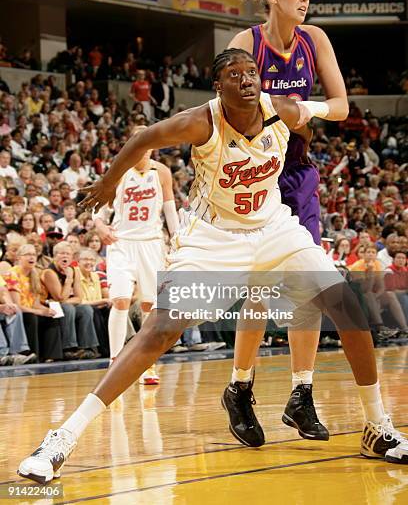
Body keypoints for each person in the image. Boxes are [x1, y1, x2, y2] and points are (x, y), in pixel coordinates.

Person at [18, 51, 407, 483]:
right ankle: (63, 437)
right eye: (233, 75)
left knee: (345, 303)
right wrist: (109, 183)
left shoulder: (285, 111)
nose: (245, 80)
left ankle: (377, 428)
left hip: (273, 227)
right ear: (218, 87)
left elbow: (326, 115)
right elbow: (143, 137)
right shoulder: (200, 122)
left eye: (251, 72)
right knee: (161, 329)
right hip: (213, 237)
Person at [227, 0, 349, 440]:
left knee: (309, 285)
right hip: (254, 175)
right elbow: (230, 111)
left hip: (296, 174)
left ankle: (302, 393)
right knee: (258, 289)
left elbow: (340, 107)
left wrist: (301, 110)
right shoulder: (245, 42)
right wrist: (272, 112)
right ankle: (240, 387)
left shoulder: (314, 39)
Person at [93, 126, 179, 384]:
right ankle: (115, 361)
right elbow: (98, 206)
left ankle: (146, 364)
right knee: (120, 301)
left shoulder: (162, 172)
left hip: (152, 243)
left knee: (150, 306)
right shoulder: (118, 170)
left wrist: (176, 240)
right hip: (121, 242)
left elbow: (170, 210)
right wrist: (99, 225)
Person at [5, 245, 63, 362]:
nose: (31, 257)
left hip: (31, 310)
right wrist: (39, 312)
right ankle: (31, 354)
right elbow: (16, 305)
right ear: (19, 258)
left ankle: (51, 356)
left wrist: (46, 311)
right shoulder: (12, 274)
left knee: (52, 316)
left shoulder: (35, 275)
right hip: (17, 312)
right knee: (32, 317)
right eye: (28, 254)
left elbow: (35, 304)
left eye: (34, 255)